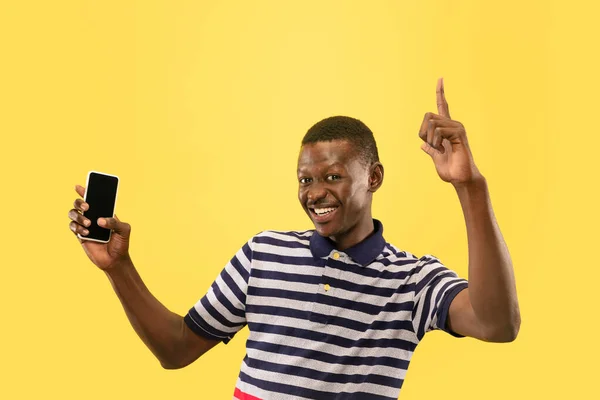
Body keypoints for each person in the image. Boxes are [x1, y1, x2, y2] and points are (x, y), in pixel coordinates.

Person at [68, 78, 520, 400]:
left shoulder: (413, 282)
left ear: (374, 177)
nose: (315, 192)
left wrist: (470, 187)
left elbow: (498, 325)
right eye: (305, 179)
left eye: (333, 176)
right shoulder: (263, 255)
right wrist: (119, 268)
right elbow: (176, 348)